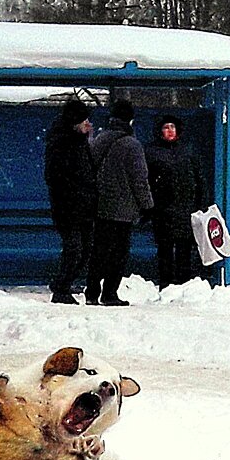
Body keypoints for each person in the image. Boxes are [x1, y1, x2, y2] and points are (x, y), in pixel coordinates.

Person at [85, 99, 153, 306]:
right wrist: (148, 205)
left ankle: (92, 291)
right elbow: (139, 179)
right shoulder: (132, 145)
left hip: (100, 206)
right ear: (130, 120)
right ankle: (109, 293)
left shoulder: (99, 140)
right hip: (123, 209)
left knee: (99, 250)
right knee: (118, 253)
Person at [43, 99, 97, 304]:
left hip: (83, 206)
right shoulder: (62, 144)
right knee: (75, 249)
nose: (88, 125)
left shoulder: (79, 143)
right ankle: (61, 288)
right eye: (85, 121)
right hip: (69, 208)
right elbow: (56, 177)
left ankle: (63, 283)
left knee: (84, 250)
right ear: (75, 122)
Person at [145, 114, 207, 288]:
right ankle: (165, 283)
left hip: (186, 209)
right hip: (162, 209)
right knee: (164, 249)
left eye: (172, 127)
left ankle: (183, 282)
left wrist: (201, 204)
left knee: (184, 249)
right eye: (166, 127)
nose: (170, 131)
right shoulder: (151, 151)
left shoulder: (188, 150)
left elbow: (199, 178)